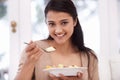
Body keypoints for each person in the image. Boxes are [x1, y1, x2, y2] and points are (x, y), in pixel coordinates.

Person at [14, 0, 99, 80]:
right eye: (52, 24)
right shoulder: (34, 51)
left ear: (74, 21)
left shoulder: (90, 57)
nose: (58, 30)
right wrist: (29, 63)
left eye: (64, 23)